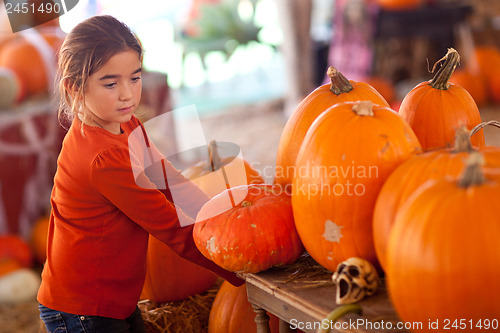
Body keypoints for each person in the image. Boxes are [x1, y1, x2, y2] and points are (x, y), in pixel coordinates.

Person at [37, 15, 244, 333]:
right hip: (82, 309)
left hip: (111, 298)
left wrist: (221, 222)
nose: (127, 94)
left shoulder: (125, 123)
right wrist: (236, 269)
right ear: (74, 87)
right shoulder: (103, 158)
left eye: (134, 78)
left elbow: (170, 180)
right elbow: (172, 229)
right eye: (110, 83)